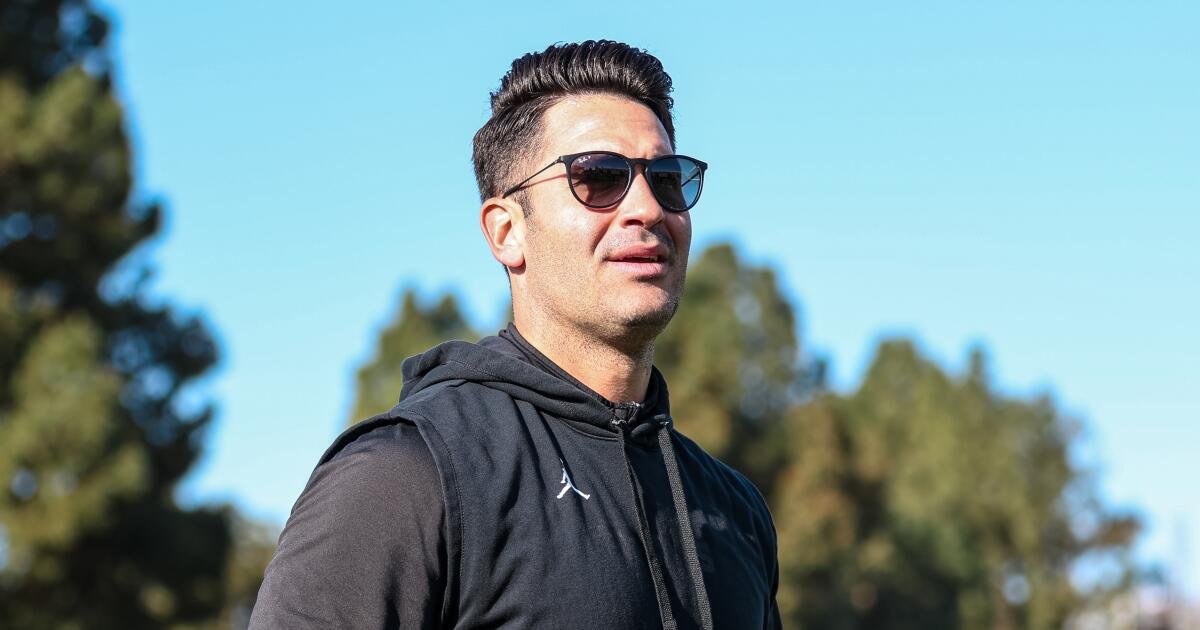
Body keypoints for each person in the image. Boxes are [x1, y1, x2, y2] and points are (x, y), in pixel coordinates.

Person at [250, 40, 781, 629]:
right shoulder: (404, 476)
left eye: (666, 179)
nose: (648, 209)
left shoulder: (734, 512)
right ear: (506, 232)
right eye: (599, 177)